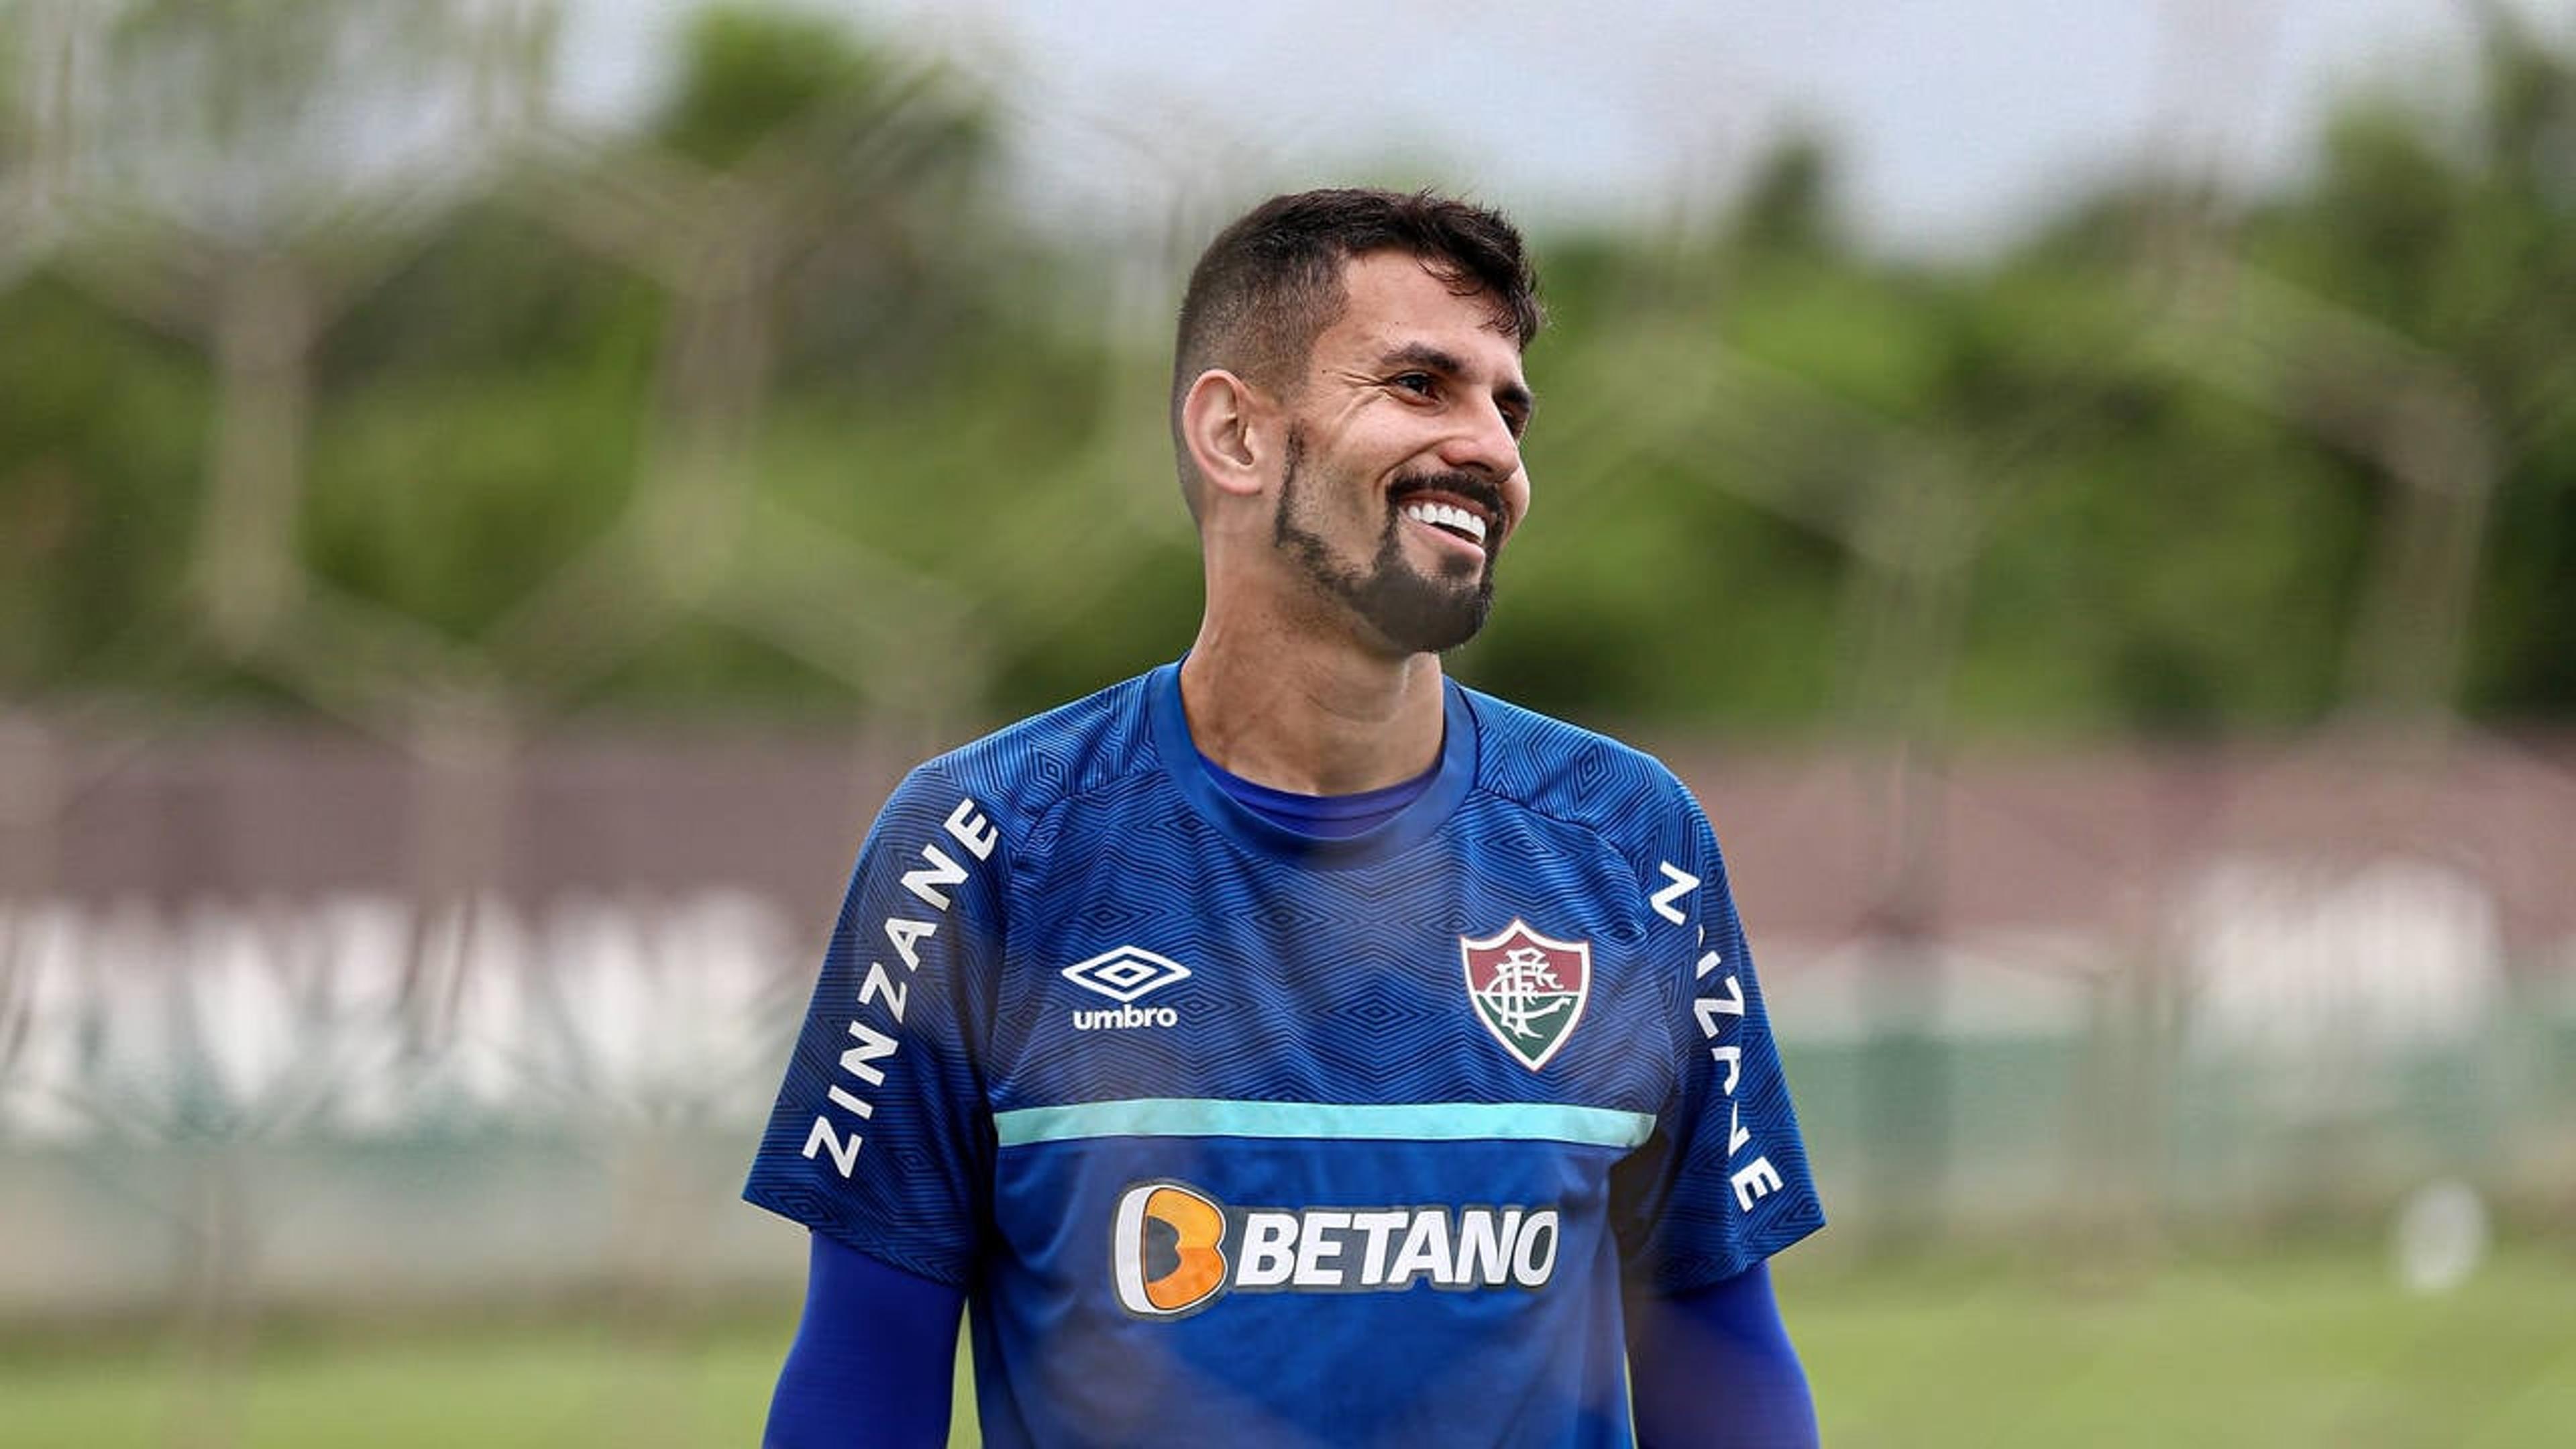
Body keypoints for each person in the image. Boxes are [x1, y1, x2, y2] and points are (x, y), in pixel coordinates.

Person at [745, 188, 1824, 1448]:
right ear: (1235, 434)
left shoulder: (1631, 845)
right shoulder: (982, 848)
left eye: (1508, 405)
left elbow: (1724, 1359)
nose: (1491, 448)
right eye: (1423, 384)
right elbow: (863, 1375)